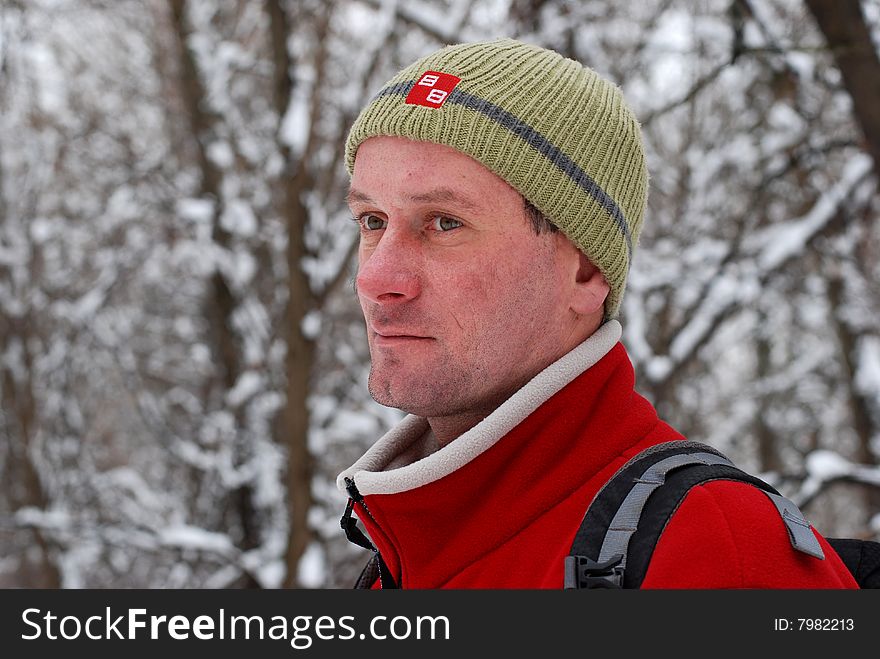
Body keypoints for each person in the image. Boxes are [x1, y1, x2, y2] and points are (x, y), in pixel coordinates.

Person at [335, 38, 857, 589]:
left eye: (444, 223)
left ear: (585, 271)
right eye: (371, 221)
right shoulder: (401, 547)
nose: (375, 279)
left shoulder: (718, 550)